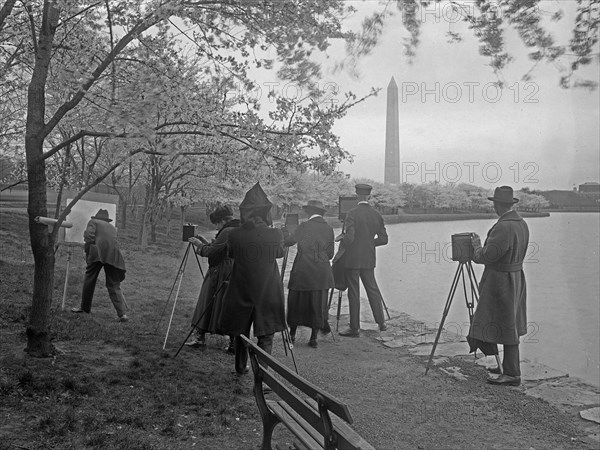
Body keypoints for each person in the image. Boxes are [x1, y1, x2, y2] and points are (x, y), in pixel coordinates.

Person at [217, 183, 287, 374]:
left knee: (240, 330)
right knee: (266, 334)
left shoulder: (235, 234)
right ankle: (262, 374)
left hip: (241, 287)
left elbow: (231, 255)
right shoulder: (275, 234)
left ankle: (240, 367)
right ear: (266, 212)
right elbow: (280, 253)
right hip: (267, 290)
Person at [467, 186, 529, 386]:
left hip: (501, 281)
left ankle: (512, 373)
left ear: (497, 205)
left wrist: (476, 246)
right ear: (511, 204)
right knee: (508, 323)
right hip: (515, 277)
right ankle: (507, 366)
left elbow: (487, 256)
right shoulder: (521, 223)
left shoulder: (504, 226)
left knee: (501, 323)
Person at [185, 205, 240, 352]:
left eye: (216, 223)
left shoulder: (227, 230)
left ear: (222, 220)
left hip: (220, 270)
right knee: (228, 305)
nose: (216, 227)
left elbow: (212, 252)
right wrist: (205, 241)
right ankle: (233, 342)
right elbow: (220, 248)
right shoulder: (237, 228)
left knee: (206, 300)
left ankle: (199, 338)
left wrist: (199, 245)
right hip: (233, 269)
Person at [338, 184, 388, 337]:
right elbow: (384, 239)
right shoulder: (377, 214)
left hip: (353, 258)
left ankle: (354, 328)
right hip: (368, 257)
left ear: (357, 196)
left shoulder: (351, 213)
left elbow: (350, 237)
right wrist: (368, 244)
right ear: (369, 197)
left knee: (354, 292)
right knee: (372, 289)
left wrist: (341, 240)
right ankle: (381, 322)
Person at [284, 200, 335, 348]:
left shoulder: (304, 226)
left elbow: (289, 242)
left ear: (309, 212)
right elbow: (330, 254)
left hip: (303, 270)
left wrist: (284, 232)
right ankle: (313, 339)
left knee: (297, 301)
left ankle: (292, 335)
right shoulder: (329, 229)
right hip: (322, 272)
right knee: (318, 303)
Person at [72, 209, 128, 321]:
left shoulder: (93, 222)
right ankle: (122, 314)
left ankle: (85, 308)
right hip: (113, 256)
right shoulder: (112, 227)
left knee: (89, 280)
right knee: (113, 285)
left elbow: (89, 237)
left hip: (97, 253)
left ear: (97, 217)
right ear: (107, 219)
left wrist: (87, 249)